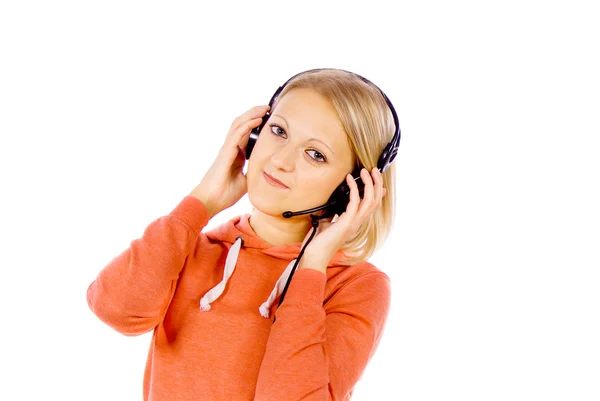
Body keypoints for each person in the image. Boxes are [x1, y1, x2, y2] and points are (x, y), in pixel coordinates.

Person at [87, 68, 400, 401]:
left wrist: (311, 269)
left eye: (316, 154)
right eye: (278, 131)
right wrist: (202, 202)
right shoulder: (190, 246)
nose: (280, 160)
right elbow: (115, 310)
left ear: (354, 188)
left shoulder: (356, 286)